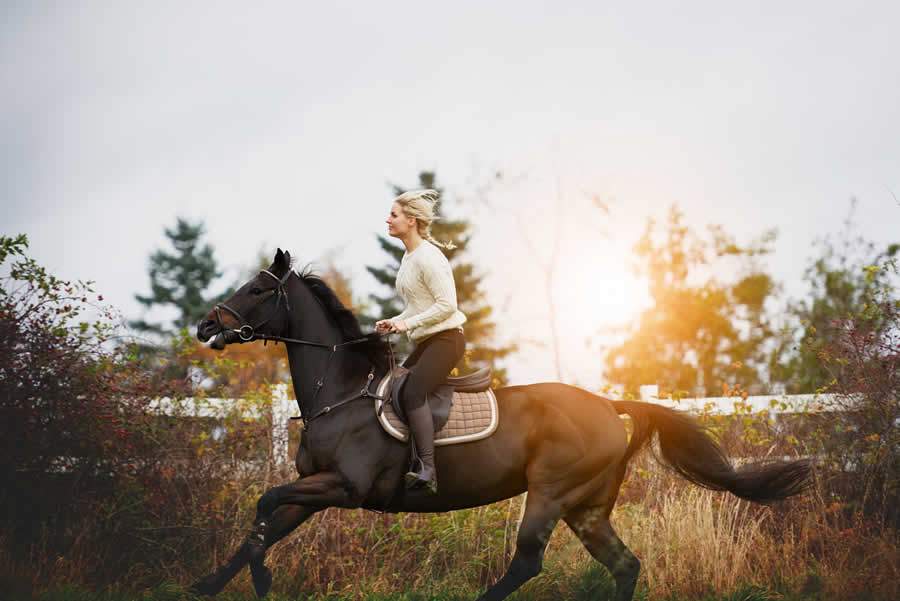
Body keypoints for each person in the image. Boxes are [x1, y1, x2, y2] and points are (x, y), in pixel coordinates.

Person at [375, 189, 467, 494]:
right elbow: (418, 305)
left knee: (413, 392)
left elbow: (447, 306)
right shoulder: (409, 257)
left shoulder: (428, 257)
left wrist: (405, 324)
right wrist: (395, 320)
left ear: (411, 220)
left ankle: (428, 469)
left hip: (448, 340)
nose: (387, 220)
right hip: (429, 340)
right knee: (396, 385)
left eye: (394, 215)